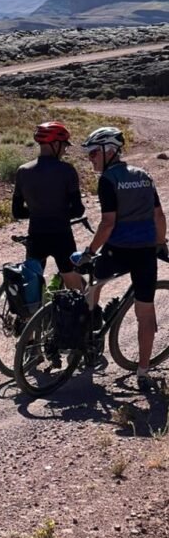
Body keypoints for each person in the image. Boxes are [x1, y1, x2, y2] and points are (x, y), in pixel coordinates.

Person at [79, 126, 167, 389]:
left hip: (116, 251)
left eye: (94, 153)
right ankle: (143, 372)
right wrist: (160, 244)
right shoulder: (144, 175)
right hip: (144, 254)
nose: (91, 158)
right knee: (145, 311)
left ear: (109, 151)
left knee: (92, 282)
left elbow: (107, 224)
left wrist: (89, 252)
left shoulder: (108, 180)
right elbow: (159, 216)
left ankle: (90, 332)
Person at [12, 121, 85, 290]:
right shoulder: (67, 171)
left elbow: (17, 212)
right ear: (56, 144)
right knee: (75, 289)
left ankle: (33, 316)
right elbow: (78, 209)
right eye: (65, 146)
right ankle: (86, 314)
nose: (65, 150)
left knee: (33, 287)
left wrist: (38, 212)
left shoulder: (23, 171)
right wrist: (59, 213)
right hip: (62, 236)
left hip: (36, 235)